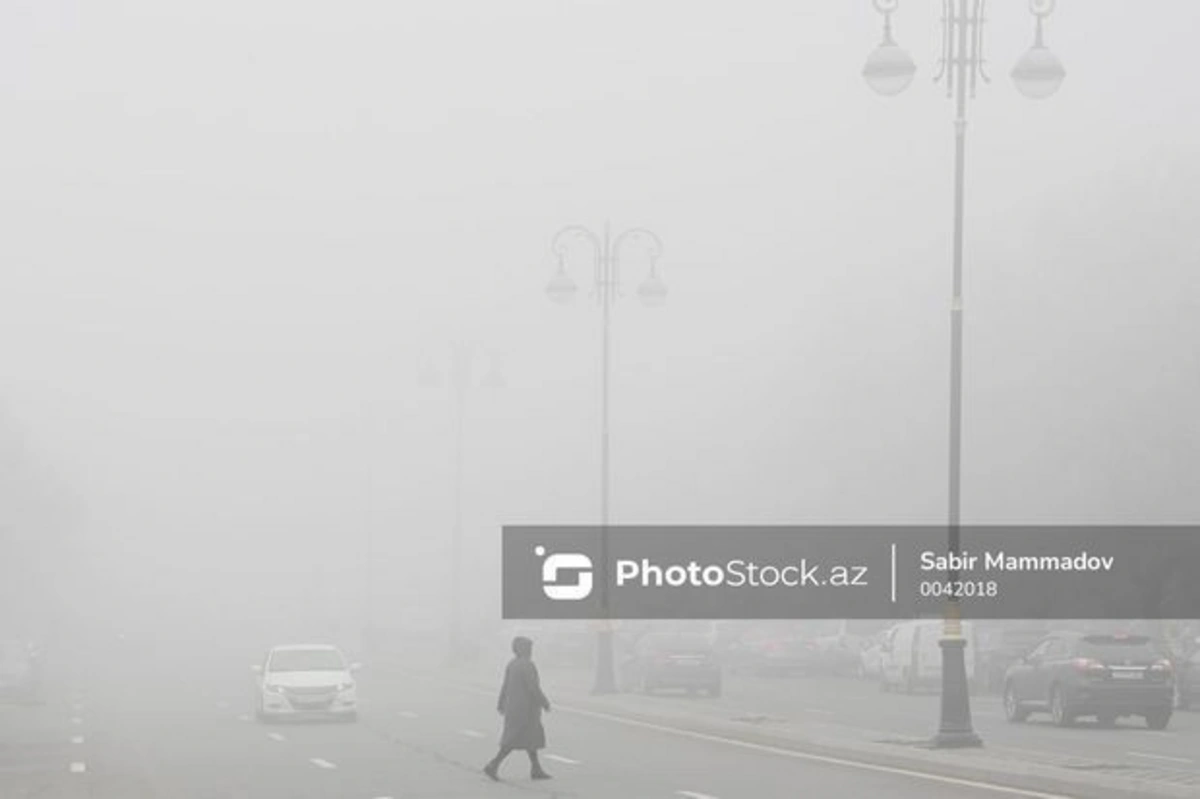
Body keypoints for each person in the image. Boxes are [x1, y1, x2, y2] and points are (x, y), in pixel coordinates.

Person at [484, 636, 551, 781]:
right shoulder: (527, 665)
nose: (531, 651)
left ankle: (536, 768)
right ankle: (493, 764)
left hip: (513, 707)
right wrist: (544, 701)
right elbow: (533, 688)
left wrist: (501, 702)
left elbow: (505, 685)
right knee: (513, 739)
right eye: (529, 648)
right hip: (525, 710)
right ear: (522, 649)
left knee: (530, 738)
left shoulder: (512, 664)